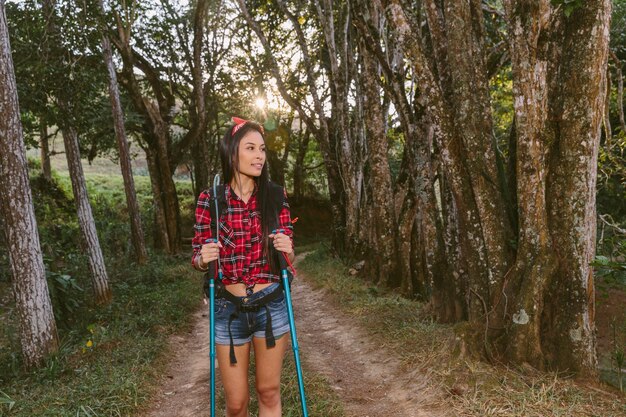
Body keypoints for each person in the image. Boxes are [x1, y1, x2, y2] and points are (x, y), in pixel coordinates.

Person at [191, 117, 295, 417]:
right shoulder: (210, 199)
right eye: (251, 148)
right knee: (236, 404)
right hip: (228, 309)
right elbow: (196, 257)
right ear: (232, 152)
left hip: (271, 305)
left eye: (262, 149)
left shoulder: (275, 196)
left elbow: (289, 260)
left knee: (269, 392)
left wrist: (288, 250)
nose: (259, 155)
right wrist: (203, 258)